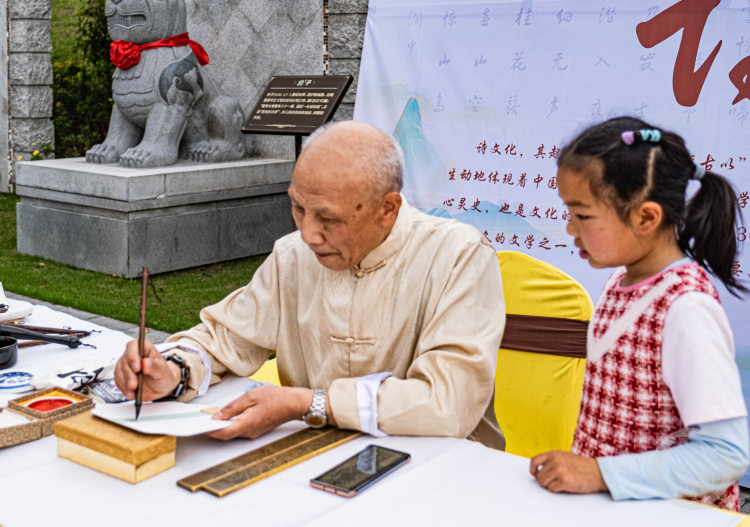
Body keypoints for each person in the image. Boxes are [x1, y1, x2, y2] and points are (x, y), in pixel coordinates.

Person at [114, 120, 506, 448]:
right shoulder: (293, 255)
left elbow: (446, 403)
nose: (308, 234)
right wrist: (173, 369)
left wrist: (309, 403)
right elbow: (225, 338)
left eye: (329, 219)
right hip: (317, 452)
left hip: (441, 473)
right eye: (298, 208)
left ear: (387, 209)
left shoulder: (458, 255)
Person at [529, 116, 749, 510]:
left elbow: (725, 456)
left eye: (582, 214)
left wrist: (599, 474)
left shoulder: (687, 309)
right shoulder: (620, 280)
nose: (569, 228)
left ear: (646, 218)